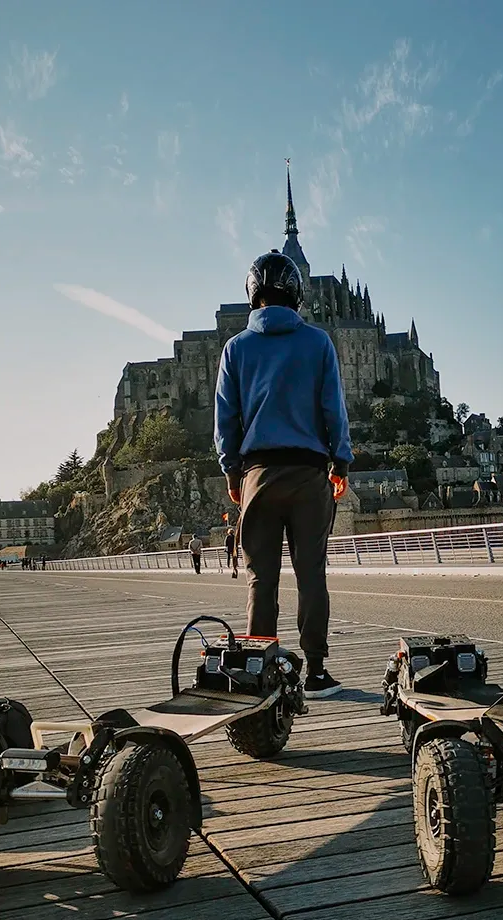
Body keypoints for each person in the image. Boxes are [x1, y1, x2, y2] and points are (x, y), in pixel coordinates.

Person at [214, 249, 352, 698]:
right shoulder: (318, 343)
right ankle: (316, 672)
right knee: (311, 575)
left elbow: (226, 420)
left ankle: (259, 671)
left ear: (252, 292)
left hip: (258, 473)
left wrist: (232, 472)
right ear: (296, 292)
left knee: (261, 579)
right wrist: (340, 462)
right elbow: (333, 408)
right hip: (309, 474)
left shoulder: (236, 348)